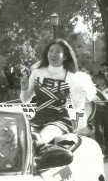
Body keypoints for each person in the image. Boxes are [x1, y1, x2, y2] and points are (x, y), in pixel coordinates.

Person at [20, 39, 79, 167]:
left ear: (66, 56)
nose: (53, 54)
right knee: (17, 138)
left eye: (58, 52)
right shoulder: (37, 72)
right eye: (51, 51)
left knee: (36, 139)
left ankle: (45, 163)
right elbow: (25, 100)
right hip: (38, 119)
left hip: (59, 120)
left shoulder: (71, 75)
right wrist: (24, 89)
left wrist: (81, 92)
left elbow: (77, 105)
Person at [93, 72, 108, 157]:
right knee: (98, 130)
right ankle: (101, 150)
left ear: (105, 80)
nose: (99, 80)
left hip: (107, 112)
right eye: (98, 79)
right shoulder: (93, 89)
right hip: (97, 111)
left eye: (101, 79)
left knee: (107, 131)